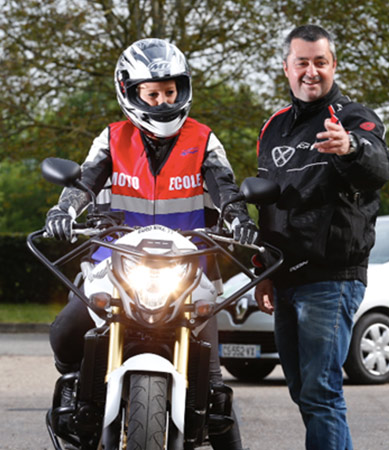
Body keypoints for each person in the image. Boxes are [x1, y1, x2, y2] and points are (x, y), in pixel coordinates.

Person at [45, 38, 256, 450]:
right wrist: (63, 212)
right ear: (130, 92)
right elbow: (85, 182)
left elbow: (227, 190)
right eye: (152, 93)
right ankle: (74, 386)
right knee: (66, 331)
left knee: (214, 388)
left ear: (182, 89)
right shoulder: (112, 139)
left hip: (189, 266)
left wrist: (241, 221)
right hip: (115, 260)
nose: (162, 102)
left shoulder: (204, 140)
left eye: (170, 91)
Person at [253, 25, 389, 450]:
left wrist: (351, 147)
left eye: (320, 62)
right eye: (302, 62)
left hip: (331, 277)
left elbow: (379, 169)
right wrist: (263, 270)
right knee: (302, 390)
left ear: (333, 66)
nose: (311, 71)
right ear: (287, 68)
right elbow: (267, 204)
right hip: (285, 276)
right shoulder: (273, 127)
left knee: (321, 391)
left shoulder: (352, 118)